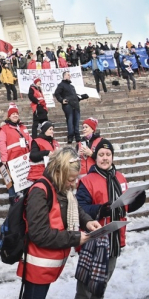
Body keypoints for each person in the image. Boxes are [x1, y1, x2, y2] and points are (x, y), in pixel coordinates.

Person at [17, 147, 101, 299]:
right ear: (59, 172)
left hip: (48, 266)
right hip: (37, 268)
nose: (73, 183)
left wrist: (88, 222)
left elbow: (73, 206)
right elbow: (39, 234)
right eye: (70, 179)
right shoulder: (40, 191)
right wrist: (75, 238)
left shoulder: (60, 185)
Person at [75, 139, 146, 299]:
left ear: (112, 157)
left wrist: (136, 200)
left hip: (114, 241)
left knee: (101, 286)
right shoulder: (87, 180)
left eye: (108, 154)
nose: (105, 158)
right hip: (94, 243)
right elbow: (80, 209)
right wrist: (100, 209)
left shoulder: (120, 177)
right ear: (96, 157)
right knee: (85, 289)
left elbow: (124, 206)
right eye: (101, 155)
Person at [0, 104, 31, 204]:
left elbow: (29, 139)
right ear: (9, 116)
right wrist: (4, 158)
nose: (15, 115)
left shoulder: (23, 127)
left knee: (26, 179)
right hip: (12, 159)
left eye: (16, 113)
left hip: (24, 158)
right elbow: (2, 143)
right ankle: (13, 199)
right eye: (13, 114)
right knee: (11, 181)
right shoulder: (4, 128)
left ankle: (27, 198)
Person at [54, 71, 89, 144]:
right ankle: (70, 136)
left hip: (75, 105)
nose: (69, 76)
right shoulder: (61, 85)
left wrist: (83, 96)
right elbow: (57, 93)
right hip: (68, 105)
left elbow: (75, 97)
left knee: (76, 121)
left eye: (70, 75)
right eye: (68, 75)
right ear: (64, 76)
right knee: (70, 121)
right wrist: (61, 100)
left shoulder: (72, 86)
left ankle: (77, 136)